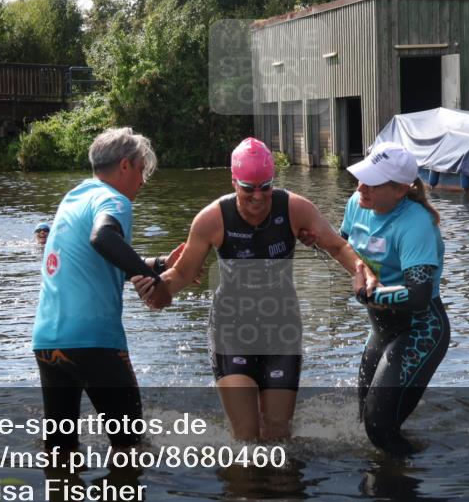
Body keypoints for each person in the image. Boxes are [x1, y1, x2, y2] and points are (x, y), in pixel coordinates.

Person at [133, 137, 376, 442]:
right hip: (231, 329)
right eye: (248, 188)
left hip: (281, 329)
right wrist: (158, 290)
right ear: (233, 181)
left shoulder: (294, 208)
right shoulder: (212, 219)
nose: (258, 197)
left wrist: (361, 271)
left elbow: (338, 246)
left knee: (277, 436)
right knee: (246, 438)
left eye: (266, 186)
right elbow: (181, 273)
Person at [32, 127, 181, 453]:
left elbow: (90, 260)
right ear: (126, 165)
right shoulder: (115, 199)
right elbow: (103, 239)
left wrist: (156, 264)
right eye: (142, 170)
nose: (142, 181)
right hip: (94, 343)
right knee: (131, 447)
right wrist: (152, 283)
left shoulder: (74, 196)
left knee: (59, 448)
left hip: (47, 342)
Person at [341, 142, 450, 455]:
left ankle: (417, 476)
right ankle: (391, 474)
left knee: (378, 428)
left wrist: (370, 293)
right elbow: (344, 248)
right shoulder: (357, 203)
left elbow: (418, 297)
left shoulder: (416, 225)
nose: (361, 186)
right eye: (362, 178)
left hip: (420, 330)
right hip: (381, 330)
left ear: (401, 189)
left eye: (372, 182)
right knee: (363, 421)